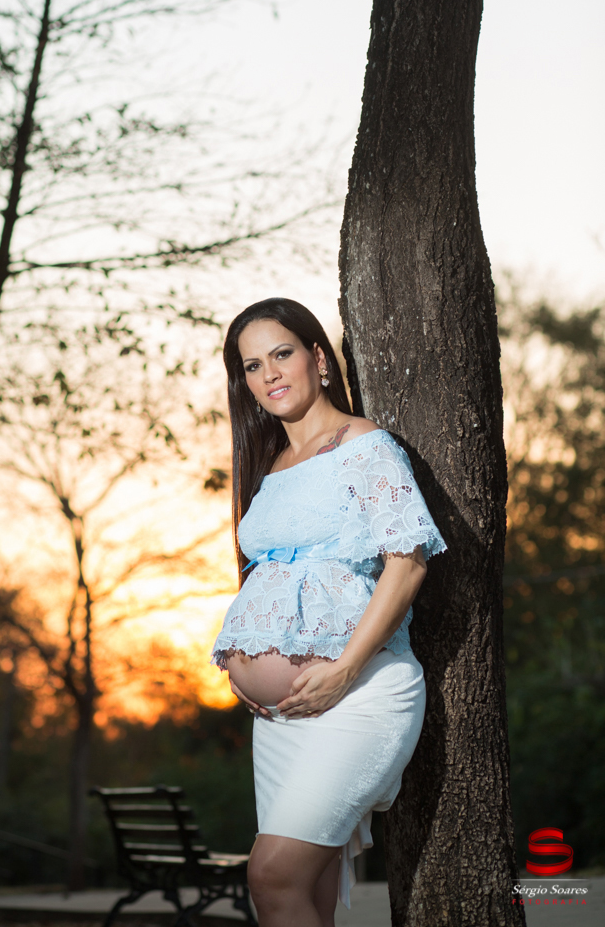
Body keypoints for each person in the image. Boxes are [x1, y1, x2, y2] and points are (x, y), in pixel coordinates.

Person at [211, 298, 447, 927]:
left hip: (360, 696)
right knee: (304, 898)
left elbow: (408, 560)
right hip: (282, 723)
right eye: (252, 365)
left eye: (282, 353)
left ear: (318, 357)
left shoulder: (362, 445)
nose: (270, 374)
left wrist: (342, 669)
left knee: (271, 874)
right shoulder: (272, 468)